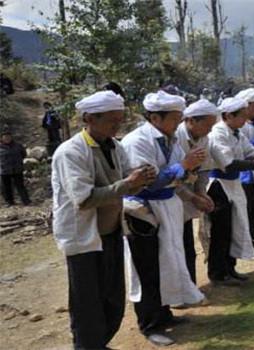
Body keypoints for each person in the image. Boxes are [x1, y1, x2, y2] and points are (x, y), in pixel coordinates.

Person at [51, 91, 157, 350]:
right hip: (84, 239)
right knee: (88, 303)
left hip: (109, 233)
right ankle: (89, 345)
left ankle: (98, 343)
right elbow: (84, 199)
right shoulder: (71, 152)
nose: (116, 125)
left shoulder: (114, 146)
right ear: (89, 118)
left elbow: (125, 182)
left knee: (112, 300)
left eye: (119, 120)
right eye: (111, 120)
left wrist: (142, 178)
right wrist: (128, 183)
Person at [122, 90, 207, 346]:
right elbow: (147, 182)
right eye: (173, 119)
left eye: (179, 118)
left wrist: (188, 180)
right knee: (147, 268)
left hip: (168, 206)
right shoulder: (137, 141)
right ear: (155, 118)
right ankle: (149, 324)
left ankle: (164, 313)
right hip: (144, 211)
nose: (177, 124)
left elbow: (175, 178)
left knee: (168, 262)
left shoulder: (171, 139)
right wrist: (183, 166)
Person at [207, 97, 254, 285]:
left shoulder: (236, 132)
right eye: (241, 116)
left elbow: (249, 150)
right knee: (221, 231)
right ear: (228, 116)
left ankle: (230, 268)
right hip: (219, 185)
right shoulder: (217, 133)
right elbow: (227, 163)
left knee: (235, 225)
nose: (245, 119)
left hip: (233, 184)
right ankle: (218, 272)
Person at [175, 99, 218, 285]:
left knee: (187, 246)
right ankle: (182, 291)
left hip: (187, 197)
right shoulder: (175, 138)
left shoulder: (203, 139)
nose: (210, 130)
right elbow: (173, 175)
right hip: (171, 198)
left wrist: (201, 192)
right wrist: (193, 197)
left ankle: (190, 287)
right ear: (191, 121)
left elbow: (203, 169)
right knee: (176, 248)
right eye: (207, 125)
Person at [236, 88, 254, 248]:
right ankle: (247, 243)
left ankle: (252, 239)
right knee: (246, 210)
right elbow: (243, 150)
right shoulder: (242, 127)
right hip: (244, 175)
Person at [0, 131, 30, 206]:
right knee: (6, 188)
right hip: (5, 170)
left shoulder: (18, 145)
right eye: (5, 137)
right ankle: (9, 202)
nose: (7, 138)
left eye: (8, 136)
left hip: (17, 169)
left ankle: (26, 201)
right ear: (2, 138)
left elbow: (23, 154)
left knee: (20, 186)